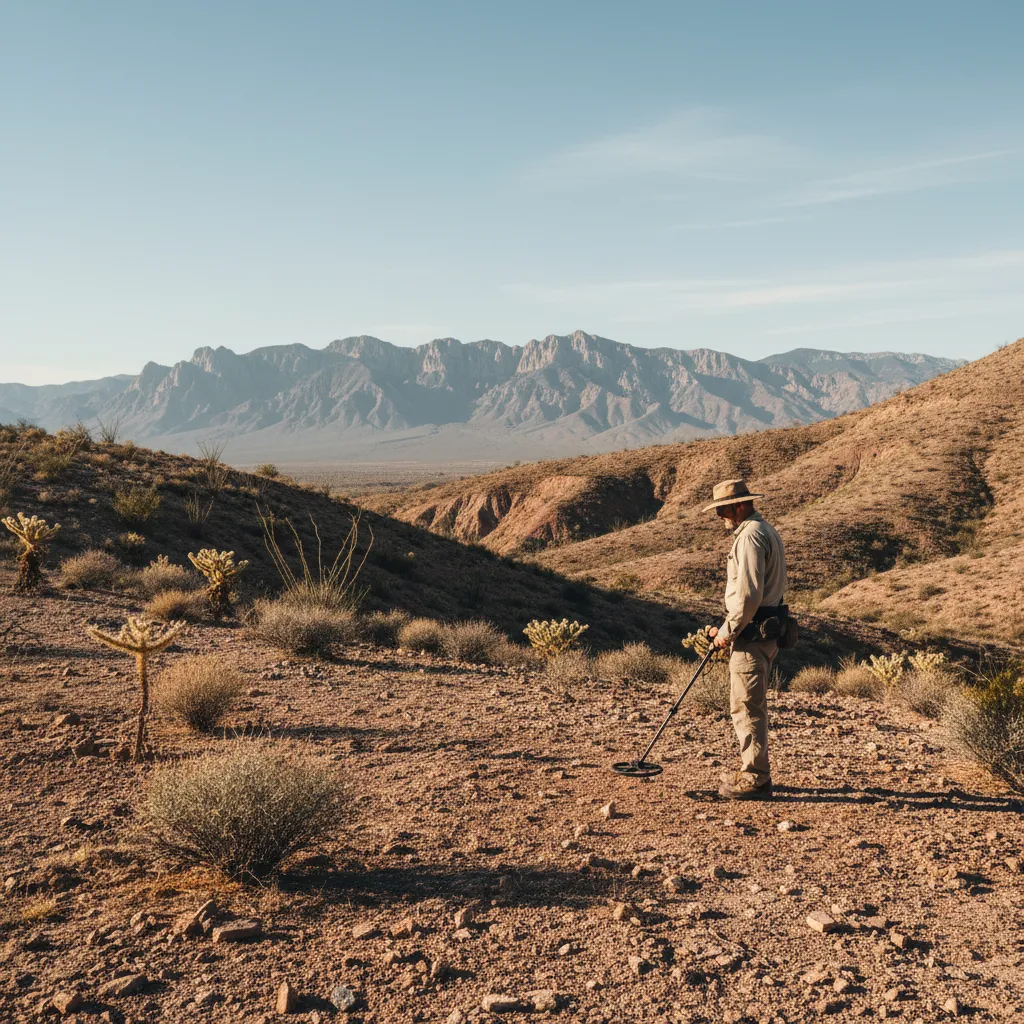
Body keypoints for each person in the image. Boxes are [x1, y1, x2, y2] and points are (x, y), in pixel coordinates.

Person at [703, 479, 787, 800]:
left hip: (751, 634)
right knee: (751, 704)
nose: (720, 516)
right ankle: (756, 772)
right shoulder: (764, 530)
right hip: (764, 629)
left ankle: (755, 777)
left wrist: (727, 631)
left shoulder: (750, 536)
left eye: (722, 510)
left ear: (739, 506)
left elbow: (749, 597)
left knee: (746, 706)